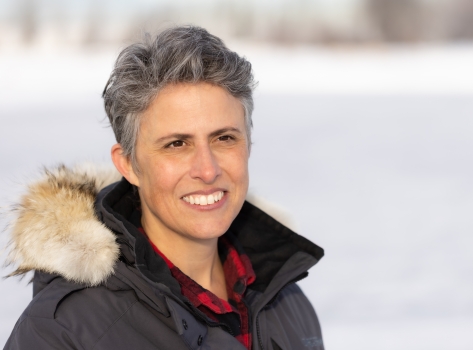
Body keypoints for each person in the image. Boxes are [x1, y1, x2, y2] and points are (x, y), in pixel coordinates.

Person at [4, 26, 325, 350]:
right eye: (176, 144)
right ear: (128, 164)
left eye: (224, 138)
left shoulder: (286, 300)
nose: (208, 169)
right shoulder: (64, 331)